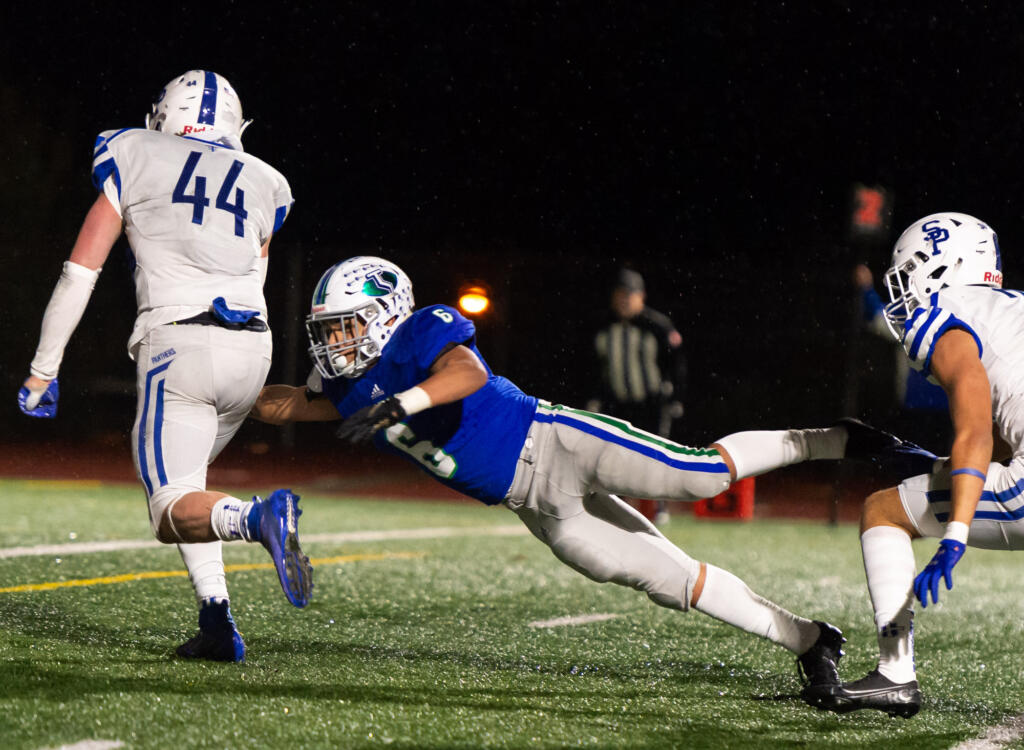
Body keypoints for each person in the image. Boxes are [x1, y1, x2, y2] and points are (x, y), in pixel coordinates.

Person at [251, 255, 934, 689]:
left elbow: (467, 372)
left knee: (700, 476)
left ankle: (842, 439)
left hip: (553, 440)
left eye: (345, 327)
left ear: (384, 313)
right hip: (536, 506)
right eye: (329, 331)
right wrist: (224, 373)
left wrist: (407, 399)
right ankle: (812, 640)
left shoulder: (421, 330)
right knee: (668, 581)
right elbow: (281, 404)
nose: (335, 342)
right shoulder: (350, 388)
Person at [17, 70, 312, 662]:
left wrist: (42, 369)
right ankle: (216, 619)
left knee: (169, 509)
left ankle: (257, 519)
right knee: (189, 485)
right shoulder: (264, 181)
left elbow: (81, 273)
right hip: (253, 351)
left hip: (179, 343)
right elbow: (254, 277)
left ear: (161, 115)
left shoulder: (134, 152)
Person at [802, 212, 1011, 718]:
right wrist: (943, 467)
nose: (906, 290)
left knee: (882, 511)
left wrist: (956, 532)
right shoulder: (1011, 311)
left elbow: (977, 423)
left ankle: (895, 673)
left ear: (947, 267)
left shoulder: (947, 312)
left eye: (913, 270)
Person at [589, 268, 685, 525]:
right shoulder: (602, 326)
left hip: (651, 401)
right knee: (614, 454)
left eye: (629, 295)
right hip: (616, 401)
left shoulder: (657, 325)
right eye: (619, 295)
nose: (624, 301)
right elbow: (593, 367)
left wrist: (675, 397)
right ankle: (619, 505)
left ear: (640, 297)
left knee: (655, 453)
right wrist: (594, 397)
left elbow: (675, 363)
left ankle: (659, 506)